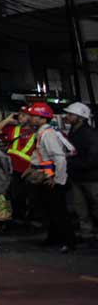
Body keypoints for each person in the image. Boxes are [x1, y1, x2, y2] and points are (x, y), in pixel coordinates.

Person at [25, 102, 76, 252]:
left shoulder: (47, 134)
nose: (31, 119)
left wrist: (58, 180)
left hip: (50, 178)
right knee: (50, 211)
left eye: (34, 116)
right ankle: (54, 238)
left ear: (42, 118)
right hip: (47, 177)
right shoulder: (42, 133)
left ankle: (68, 241)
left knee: (59, 212)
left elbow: (59, 158)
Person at [0, 106, 36, 225]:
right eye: (19, 114)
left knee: (29, 196)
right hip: (13, 168)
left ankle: (30, 219)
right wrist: (8, 119)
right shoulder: (13, 129)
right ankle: (18, 219)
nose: (20, 117)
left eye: (24, 115)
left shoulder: (37, 132)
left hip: (28, 169)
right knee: (15, 195)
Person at [64, 102, 98, 242]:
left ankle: (89, 230)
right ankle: (87, 231)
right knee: (80, 206)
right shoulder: (74, 131)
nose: (67, 117)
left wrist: (71, 163)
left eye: (71, 114)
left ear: (81, 117)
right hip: (79, 175)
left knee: (94, 204)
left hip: (90, 176)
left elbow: (93, 157)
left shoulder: (89, 134)